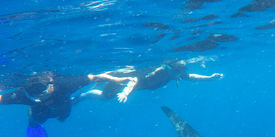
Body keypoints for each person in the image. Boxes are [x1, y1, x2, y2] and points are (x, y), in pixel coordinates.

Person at [0, 71, 135, 137]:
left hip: (63, 103)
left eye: (41, 94)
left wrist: (116, 79)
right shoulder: (24, 94)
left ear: (51, 85)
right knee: (34, 121)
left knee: (63, 117)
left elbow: (96, 76)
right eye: (33, 96)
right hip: (41, 113)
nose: (38, 98)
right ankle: (32, 119)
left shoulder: (66, 83)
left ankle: (81, 97)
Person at [74, 59, 223, 104]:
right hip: (122, 83)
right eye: (181, 69)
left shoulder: (174, 73)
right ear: (174, 67)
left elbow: (191, 77)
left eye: (184, 69)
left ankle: (85, 94)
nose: (184, 72)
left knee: (104, 97)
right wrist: (125, 92)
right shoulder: (158, 72)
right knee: (103, 97)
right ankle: (82, 96)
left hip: (133, 87)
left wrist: (209, 78)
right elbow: (134, 80)